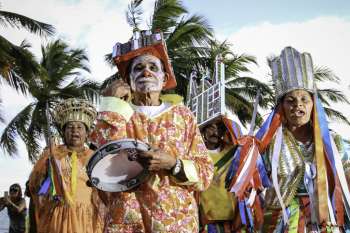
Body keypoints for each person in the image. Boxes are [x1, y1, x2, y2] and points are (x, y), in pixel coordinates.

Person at [90, 30, 214, 233]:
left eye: (152, 67)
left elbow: (206, 174)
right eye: (138, 68)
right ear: (128, 80)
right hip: (127, 222)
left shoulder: (183, 116)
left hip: (174, 221)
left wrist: (173, 164)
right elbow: (101, 162)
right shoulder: (118, 113)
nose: (145, 72)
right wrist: (110, 104)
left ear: (164, 79)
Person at [226, 46, 350, 232]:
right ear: (281, 107)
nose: (297, 105)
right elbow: (250, 188)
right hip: (280, 222)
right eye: (290, 100)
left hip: (324, 222)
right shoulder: (267, 145)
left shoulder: (334, 144)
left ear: (313, 105)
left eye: (304, 100)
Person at [28, 98, 104, 233]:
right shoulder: (52, 154)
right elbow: (43, 185)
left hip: (87, 218)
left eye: (80, 127)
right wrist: (45, 191)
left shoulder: (95, 157)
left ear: (86, 133)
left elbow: (104, 188)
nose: (75, 130)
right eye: (70, 127)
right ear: (63, 132)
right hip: (58, 216)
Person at [198, 118, 242, 233]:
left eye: (220, 128)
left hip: (232, 220)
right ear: (203, 129)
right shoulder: (195, 153)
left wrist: (222, 116)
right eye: (211, 127)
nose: (215, 132)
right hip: (207, 222)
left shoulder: (233, 152)